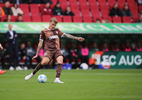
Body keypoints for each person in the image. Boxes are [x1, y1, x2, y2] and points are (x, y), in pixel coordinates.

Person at [25, 17, 84, 83]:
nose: (53, 26)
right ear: (49, 22)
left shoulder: (57, 30)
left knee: (60, 59)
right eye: (52, 24)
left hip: (57, 50)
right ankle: (32, 74)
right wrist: (37, 54)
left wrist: (77, 38)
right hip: (49, 50)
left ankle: (57, 79)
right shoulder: (43, 31)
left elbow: (66, 35)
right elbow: (40, 44)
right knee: (44, 62)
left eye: (55, 25)